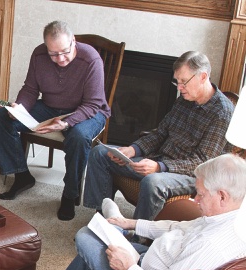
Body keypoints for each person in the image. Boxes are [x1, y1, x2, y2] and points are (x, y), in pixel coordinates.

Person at [58, 153, 246, 270]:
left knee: (86, 235)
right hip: (148, 258)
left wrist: (128, 268)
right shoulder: (228, 217)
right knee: (95, 242)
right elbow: (178, 227)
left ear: (222, 196)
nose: (195, 200)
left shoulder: (211, 245)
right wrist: (131, 223)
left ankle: (113, 231)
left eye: (201, 194)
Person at [83, 51, 234, 221]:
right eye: (177, 81)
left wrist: (160, 167)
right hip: (159, 161)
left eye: (184, 81)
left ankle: (139, 238)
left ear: (203, 76)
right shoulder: (184, 99)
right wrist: (133, 149)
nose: (179, 87)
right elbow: (161, 132)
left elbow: (203, 162)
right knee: (100, 154)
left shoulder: (222, 113)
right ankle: (103, 218)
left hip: (193, 176)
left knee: (152, 182)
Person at [0, 20, 109, 221]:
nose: (60, 59)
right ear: (46, 47)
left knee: (79, 137)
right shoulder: (38, 55)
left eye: (64, 51)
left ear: (73, 41)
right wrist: (19, 108)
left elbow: (93, 104)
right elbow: (30, 89)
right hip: (50, 107)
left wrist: (67, 123)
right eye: (53, 54)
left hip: (88, 111)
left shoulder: (91, 59)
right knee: (1, 116)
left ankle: (69, 193)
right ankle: (22, 176)